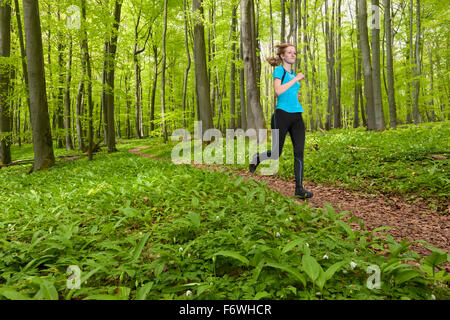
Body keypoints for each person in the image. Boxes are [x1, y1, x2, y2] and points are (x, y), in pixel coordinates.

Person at [249, 43, 313, 199]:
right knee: (276, 153)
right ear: (282, 56)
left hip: (297, 116)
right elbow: (278, 91)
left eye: (294, 53)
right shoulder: (279, 71)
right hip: (281, 116)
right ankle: (257, 158)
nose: (293, 55)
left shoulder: (292, 76)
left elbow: (288, 91)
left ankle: (299, 188)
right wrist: (297, 78)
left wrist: (295, 95)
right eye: (289, 52)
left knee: (299, 152)